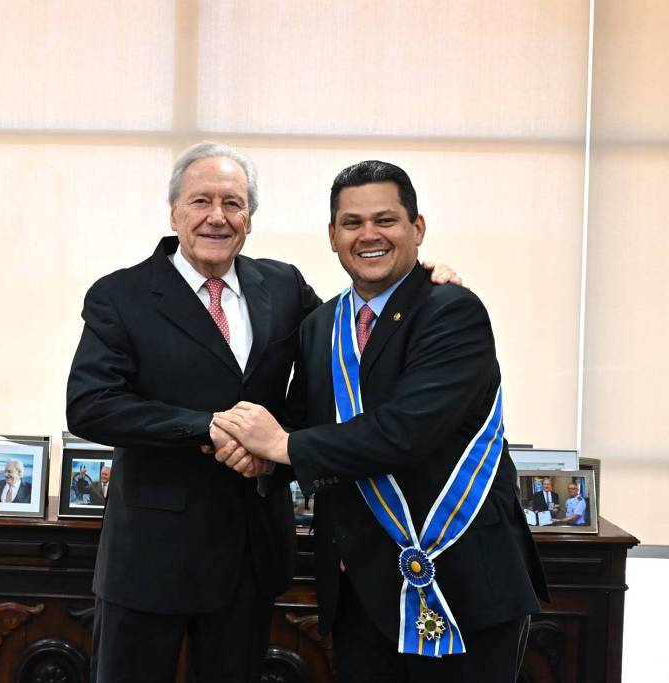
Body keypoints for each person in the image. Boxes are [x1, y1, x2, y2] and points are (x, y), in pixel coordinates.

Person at [67, 143, 461, 681]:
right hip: (150, 560)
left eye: (233, 203)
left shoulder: (282, 285)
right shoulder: (122, 294)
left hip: (250, 555)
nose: (217, 217)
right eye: (200, 201)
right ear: (174, 212)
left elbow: (349, 347)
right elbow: (90, 405)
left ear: (249, 218)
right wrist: (208, 427)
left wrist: (416, 284)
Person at [213, 160, 547, 683]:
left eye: (386, 220)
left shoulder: (452, 310)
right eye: (352, 223)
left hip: (464, 578)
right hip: (359, 590)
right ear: (332, 235)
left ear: (417, 228)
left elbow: (406, 431)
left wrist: (280, 446)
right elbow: (303, 421)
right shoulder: (321, 324)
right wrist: (258, 460)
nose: (369, 235)